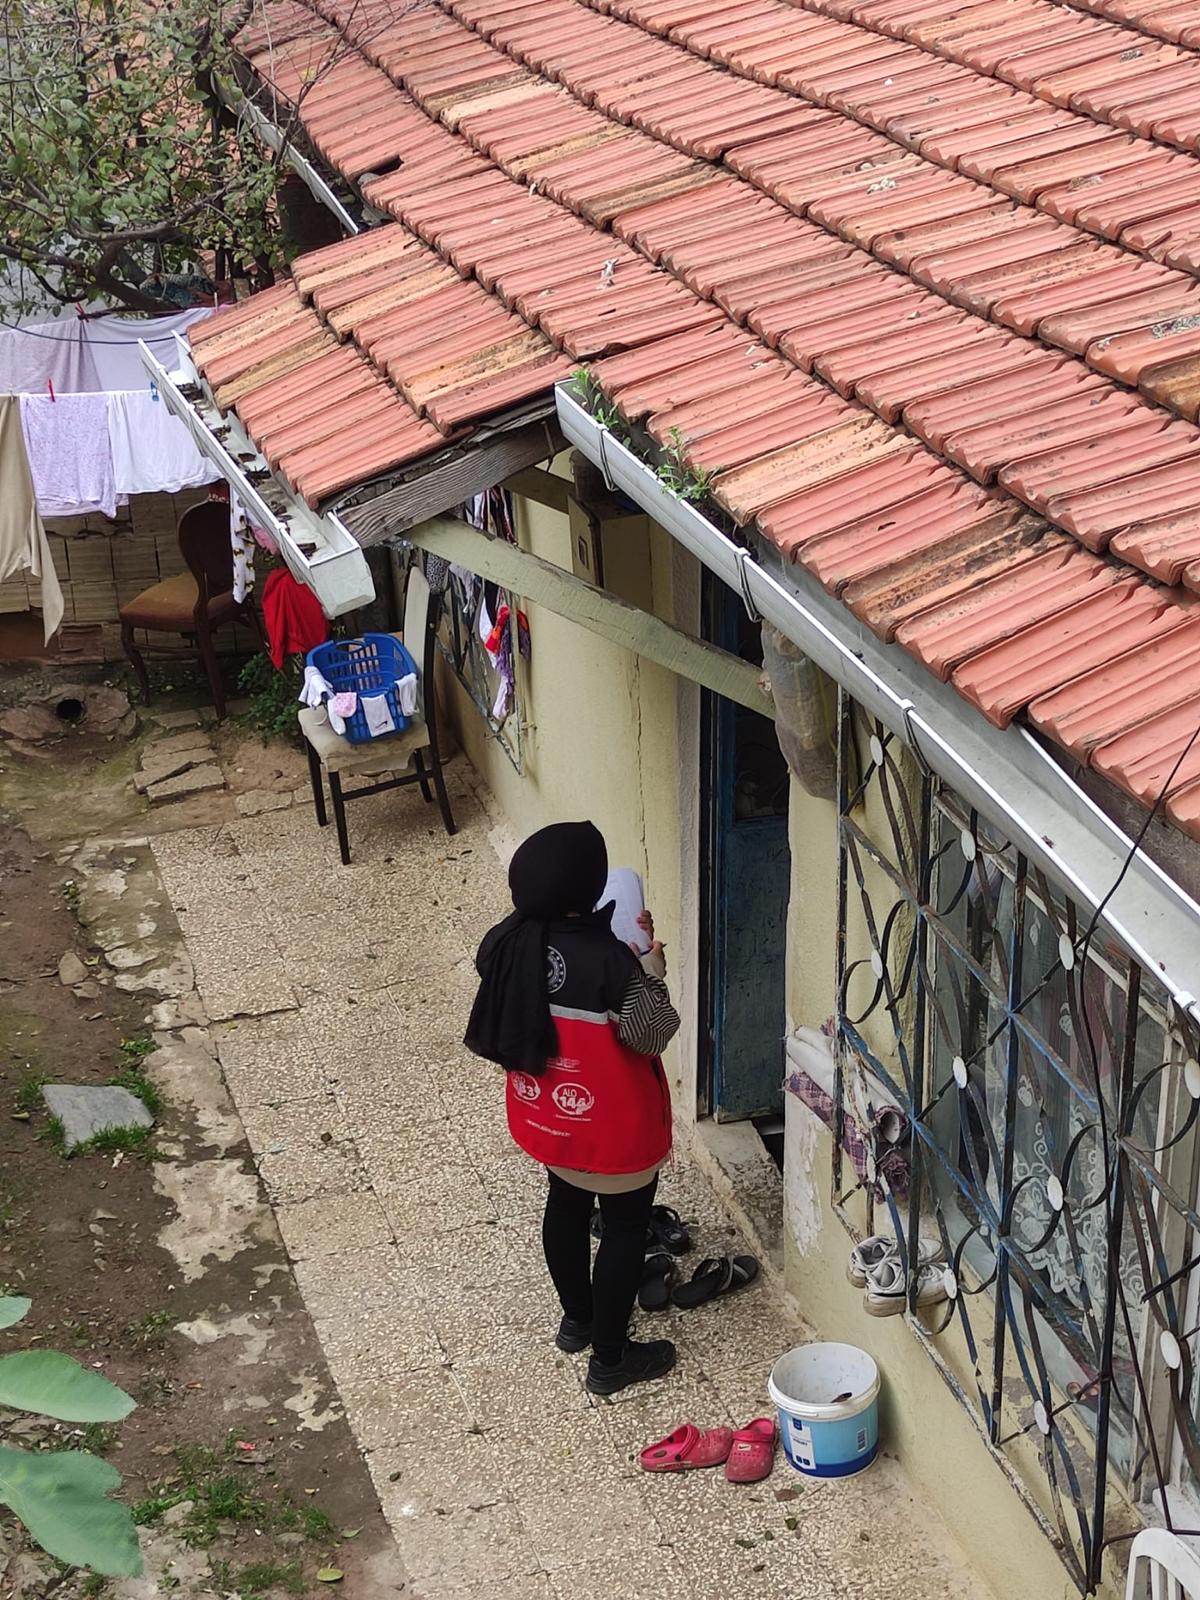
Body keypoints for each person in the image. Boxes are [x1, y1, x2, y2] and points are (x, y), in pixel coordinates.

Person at [465, 821, 681, 1395]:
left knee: (564, 1206)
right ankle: (611, 1360)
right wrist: (649, 967)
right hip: (613, 1127)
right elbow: (653, 1034)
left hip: (549, 1116)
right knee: (625, 1226)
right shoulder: (614, 963)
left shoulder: (504, 943)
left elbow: (558, 963)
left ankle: (577, 1320)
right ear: (589, 890)